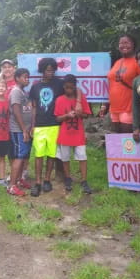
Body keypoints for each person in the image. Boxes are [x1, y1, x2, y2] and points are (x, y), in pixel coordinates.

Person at [29, 58, 82, 197]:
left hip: (55, 125)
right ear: (42, 70)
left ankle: (47, 180)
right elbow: (33, 108)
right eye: (47, 70)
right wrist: (32, 125)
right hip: (40, 126)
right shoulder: (35, 86)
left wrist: (78, 103)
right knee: (39, 155)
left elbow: (76, 88)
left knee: (52, 155)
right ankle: (38, 182)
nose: (50, 72)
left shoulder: (59, 83)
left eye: (52, 70)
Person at [54, 74, 93, 194]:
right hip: (65, 134)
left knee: (82, 157)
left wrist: (79, 113)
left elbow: (87, 115)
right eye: (66, 87)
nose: (69, 90)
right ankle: (67, 178)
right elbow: (57, 119)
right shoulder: (60, 99)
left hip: (78, 133)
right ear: (63, 87)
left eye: (71, 88)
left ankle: (84, 180)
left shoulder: (81, 99)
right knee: (65, 158)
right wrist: (67, 115)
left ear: (75, 87)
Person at [105, 34, 140, 133]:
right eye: (121, 43)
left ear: (133, 45)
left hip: (129, 108)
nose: (123, 45)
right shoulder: (117, 62)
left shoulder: (137, 62)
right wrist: (105, 104)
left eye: (126, 42)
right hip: (114, 108)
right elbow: (112, 85)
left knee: (127, 143)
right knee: (116, 143)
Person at [7, 68, 33, 196]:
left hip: (26, 130)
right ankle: (12, 185)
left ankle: (19, 180)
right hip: (18, 131)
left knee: (24, 156)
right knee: (18, 157)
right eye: (24, 77)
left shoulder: (24, 92)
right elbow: (16, 112)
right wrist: (23, 130)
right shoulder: (16, 92)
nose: (27, 79)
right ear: (17, 78)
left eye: (28, 77)